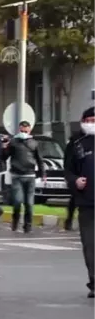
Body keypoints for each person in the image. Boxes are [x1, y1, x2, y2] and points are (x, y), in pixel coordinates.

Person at [64, 106, 95, 298]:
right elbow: (67, 170)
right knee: (90, 244)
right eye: (89, 120)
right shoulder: (76, 143)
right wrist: (75, 180)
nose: (92, 124)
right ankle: (94, 282)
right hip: (87, 203)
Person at [1, 121, 45, 233]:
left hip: (30, 176)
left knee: (29, 203)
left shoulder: (34, 143)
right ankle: (15, 221)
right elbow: (4, 157)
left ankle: (28, 225)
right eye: (22, 131)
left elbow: (40, 159)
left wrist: (43, 174)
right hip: (17, 176)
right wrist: (4, 148)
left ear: (30, 130)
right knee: (17, 201)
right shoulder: (14, 142)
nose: (24, 133)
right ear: (18, 130)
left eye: (26, 131)